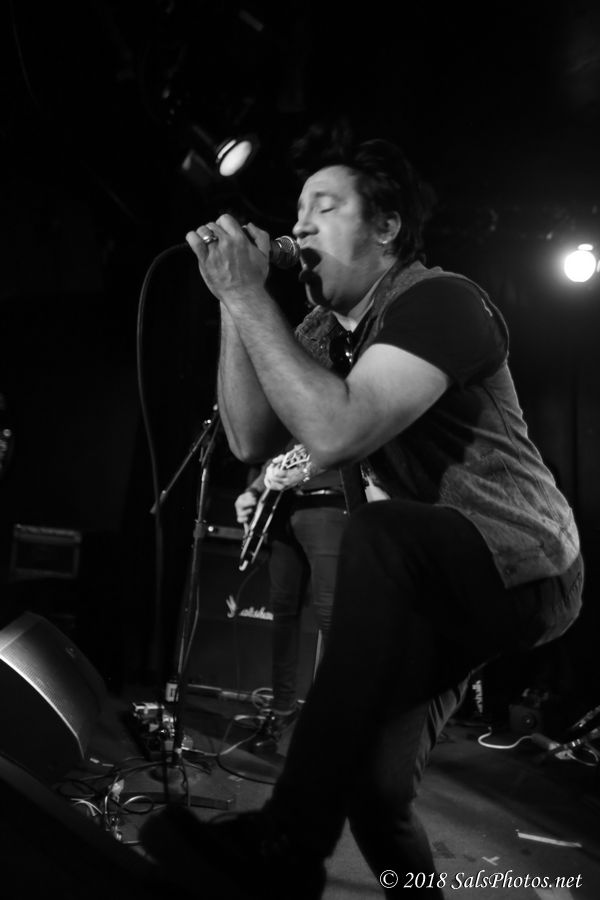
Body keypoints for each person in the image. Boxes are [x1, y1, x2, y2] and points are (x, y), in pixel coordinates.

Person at [141, 126, 583, 898]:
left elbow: (338, 431)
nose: (300, 224)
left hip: (521, 566)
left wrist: (247, 296)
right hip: (432, 579)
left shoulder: (441, 300)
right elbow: (249, 438)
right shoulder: (322, 333)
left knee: (377, 531)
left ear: (385, 228)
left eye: (325, 205)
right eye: (297, 209)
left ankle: (287, 845)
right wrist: (234, 301)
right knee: (376, 791)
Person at [234, 450, 347, 750]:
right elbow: (280, 454)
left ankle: (331, 722)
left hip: (328, 503)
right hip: (282, 506)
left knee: (331, 618)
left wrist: (305, 472)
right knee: (283, 611)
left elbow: (350, 443)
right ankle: (282, 710)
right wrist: (253, 490)